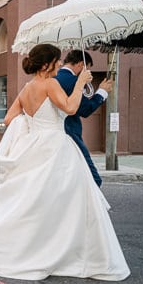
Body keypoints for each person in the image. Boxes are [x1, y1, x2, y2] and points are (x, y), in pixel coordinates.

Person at [0, 44, 129, 281]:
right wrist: (80, 83)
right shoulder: (50, 84)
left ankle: (28, 247)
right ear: (46, 64)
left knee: (33, 200)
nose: (60, 63)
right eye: (56, 60)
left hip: (35, 148)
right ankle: (62, 249)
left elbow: (9, 119)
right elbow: (70, 107)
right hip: (56, 147)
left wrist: (33, 127)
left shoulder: (27, 88)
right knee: (65, 200)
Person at [55, 50, 113, 187]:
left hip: (53, 133)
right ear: (81, 64)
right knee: (91, 176)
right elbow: (85, 109)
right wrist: (102, 91)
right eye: (88, 69)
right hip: (70, 132)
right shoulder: (72, 81)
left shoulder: (53, 78)